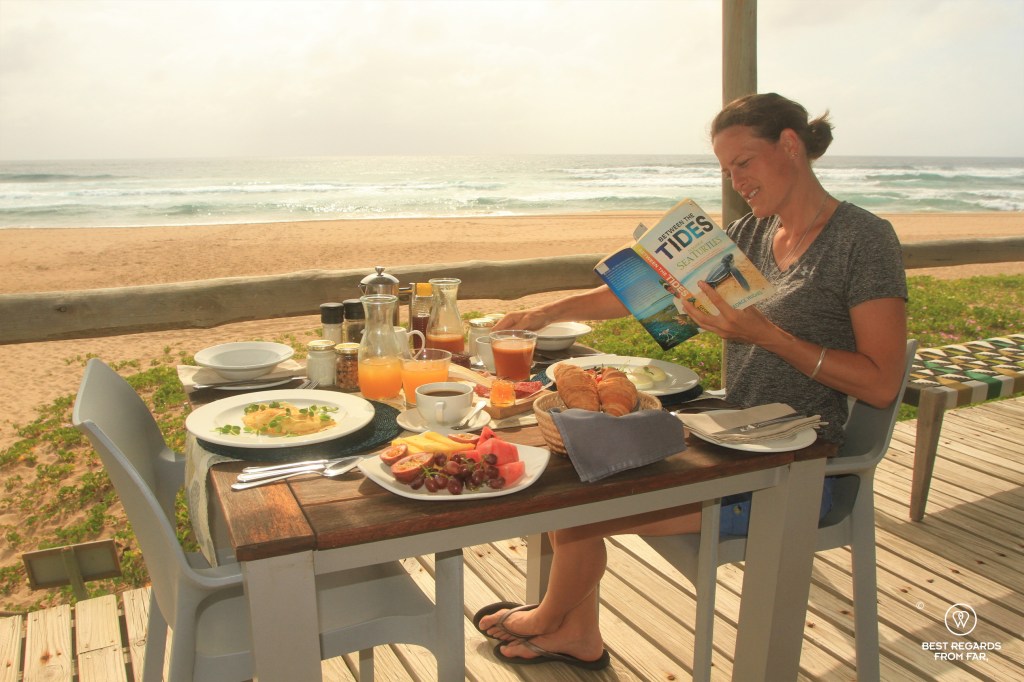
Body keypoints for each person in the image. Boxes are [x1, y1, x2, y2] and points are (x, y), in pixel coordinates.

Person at [474, 92, 908, 669]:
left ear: (790, 145)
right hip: (729, 436)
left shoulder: (863, 239)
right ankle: (575, 633)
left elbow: (881, 385)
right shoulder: (750, 235)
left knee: (576, 506)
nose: (736, 181)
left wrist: (767, 334)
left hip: (801, 470)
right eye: (727, 170)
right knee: (574, 461)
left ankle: (550, 620)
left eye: (744, 163)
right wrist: (543, 314)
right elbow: (636, 294)